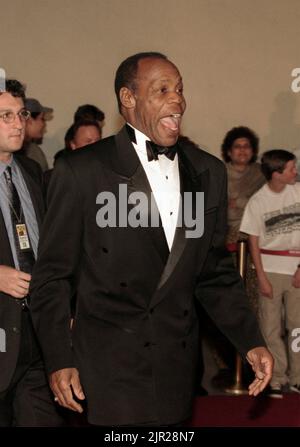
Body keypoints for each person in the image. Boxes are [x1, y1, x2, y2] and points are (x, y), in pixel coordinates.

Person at [30, 52, 273, 426]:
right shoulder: (82, 172)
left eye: (179, 90)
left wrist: (250, 340)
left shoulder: (206, 172)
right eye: (162, 90)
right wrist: (59, 358)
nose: (178, 100)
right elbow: (52, 279)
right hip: (106, 366)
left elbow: (213, 272)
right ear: (128, 98)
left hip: (175, 364)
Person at [0, 80, 63, 426]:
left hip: (39, 330)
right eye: (5, 115)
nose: (18, 123)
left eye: (21, 113)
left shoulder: (31, 171)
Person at [240, 149, 300, 398]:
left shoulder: (297, 192)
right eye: (291, 168)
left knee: (297, 327)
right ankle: (276, 377)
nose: (295, 172)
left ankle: (298, 377)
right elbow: (252, 241)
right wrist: (262, 277)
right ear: (276, 174)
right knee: (271, 327)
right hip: (270, 269)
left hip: (295, 268)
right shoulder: (259, 201)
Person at [22, 97, 53, 172]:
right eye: (42, 118)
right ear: (29, 120)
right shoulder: (32, 151)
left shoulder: (33, 149)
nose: (44, 124)